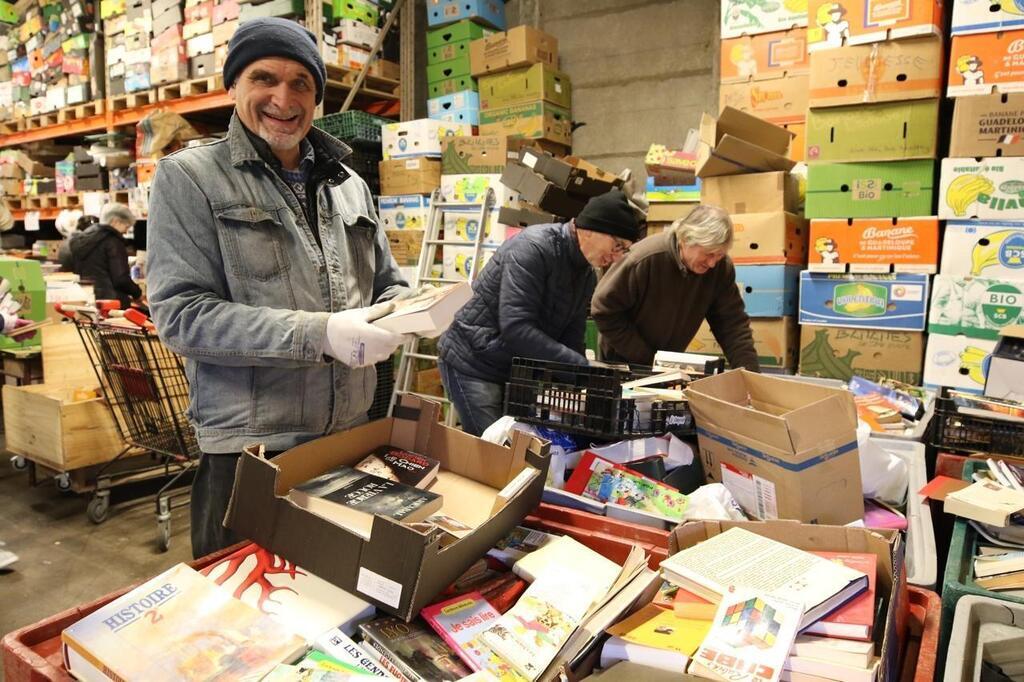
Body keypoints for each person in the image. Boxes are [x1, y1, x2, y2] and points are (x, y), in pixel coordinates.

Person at [146, 17, 410, 558]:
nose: (283, 99)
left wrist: (405, 311)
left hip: (346, 440)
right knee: (248, 615)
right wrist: (319, 333)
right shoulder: (190, 177)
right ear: (234, 87)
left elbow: (387, 282)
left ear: (317, 96)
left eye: (301, 84)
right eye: (264, 78)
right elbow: (181, 315)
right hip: (251, 453)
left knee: (333, 610)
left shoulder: (350, 185)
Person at [438, 189, 640, 436]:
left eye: (625, 250)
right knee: (493, 449)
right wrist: (582, 367)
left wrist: (582, 382)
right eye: (617, 245)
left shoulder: (584, 274)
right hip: (474, 361)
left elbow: (571, 336)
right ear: (589, 229)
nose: (618, 256)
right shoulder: (532, 248)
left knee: (518, 448)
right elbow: (517, 328)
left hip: (514, 369)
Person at [591, 204, 759, 371]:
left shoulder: (720, 269)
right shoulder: (645, 259)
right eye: (708, 254)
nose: (713, 263)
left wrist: (750, 376)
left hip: (666, 367)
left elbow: (732, 324)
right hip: (623, 364)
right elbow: (603, 309)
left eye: (720, 254)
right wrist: (647, 359)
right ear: (685, 240)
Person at [59, 203, 143, 310]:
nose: (126, 231)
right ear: (115, 221)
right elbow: (121, 278)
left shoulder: (81, 239)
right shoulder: (113, 241)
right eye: (126, 226)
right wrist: (137, 293)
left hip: (86, 298)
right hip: (111, 302)